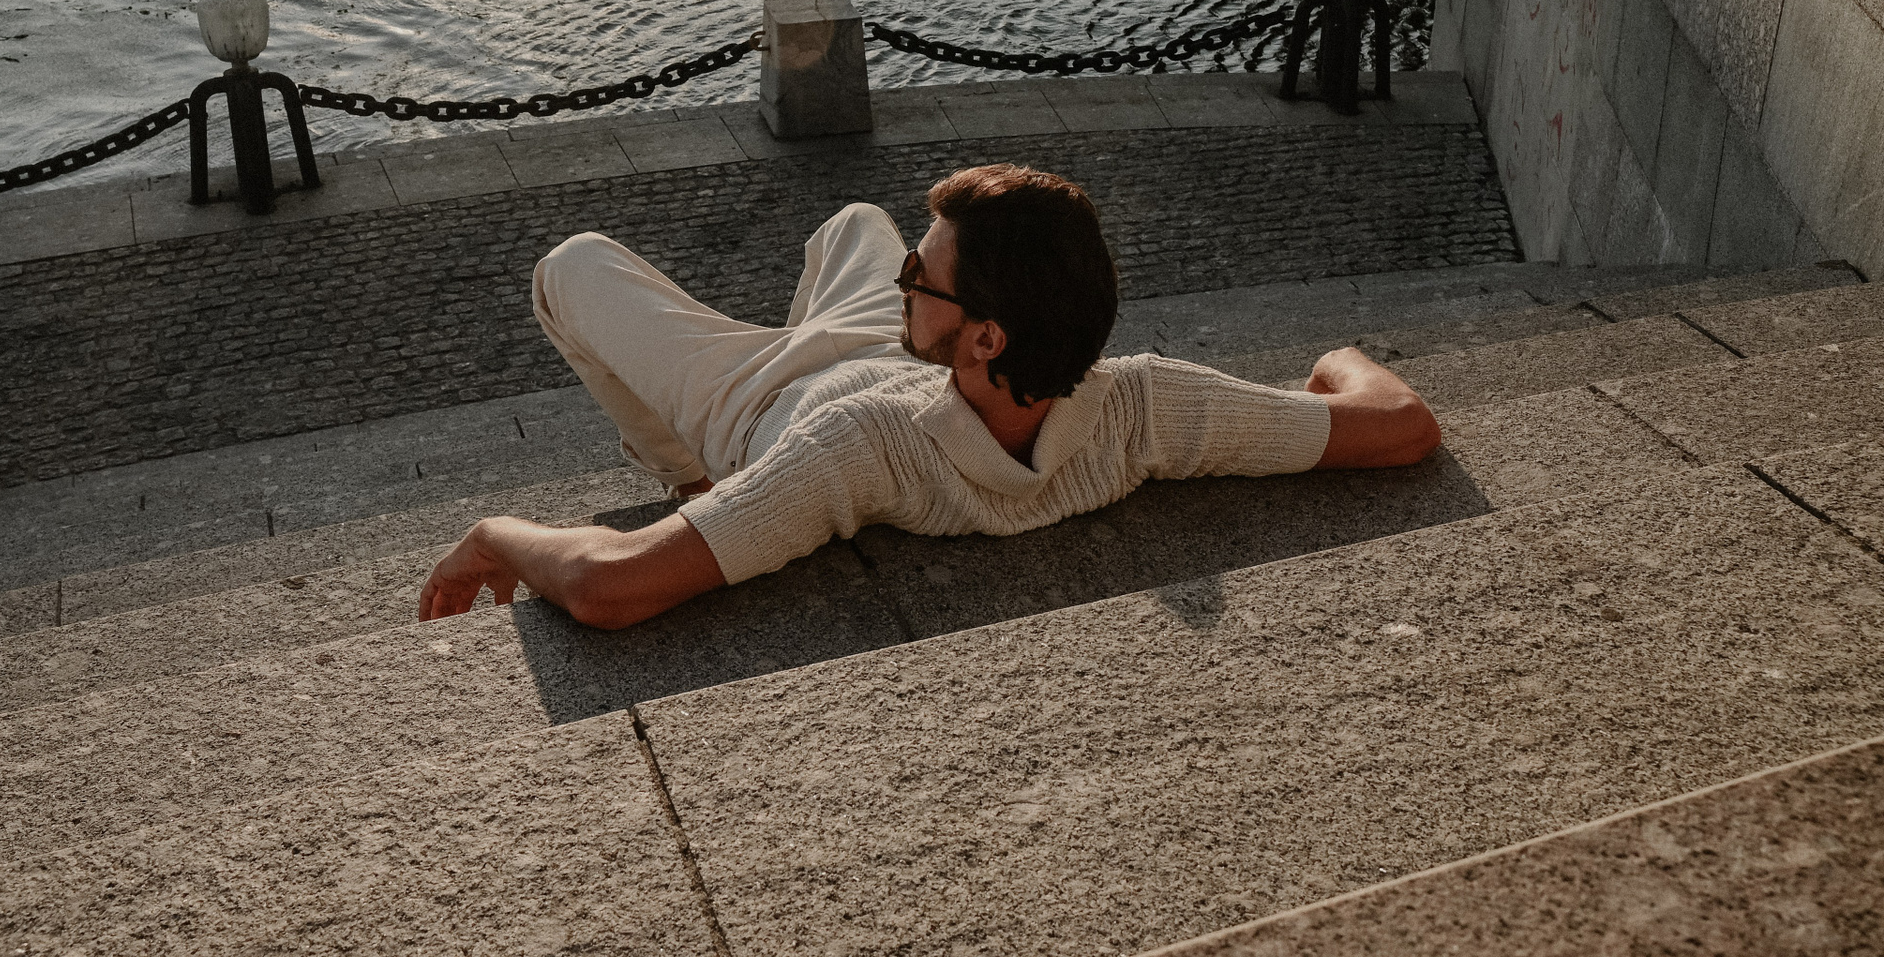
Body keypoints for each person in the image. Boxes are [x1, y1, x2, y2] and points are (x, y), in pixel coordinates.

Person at [418, 163, 1440, 630]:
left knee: (570, 266)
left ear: (988, 334)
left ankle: (694, 476)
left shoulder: (859, 450)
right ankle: (865, 291)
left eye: (925, 275)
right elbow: (1401, 424)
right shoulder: (1141, 405)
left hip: (762, 404)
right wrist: (1338, 356)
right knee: (856, 222)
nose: (912, 277)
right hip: (902, 359)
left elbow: (608, 586)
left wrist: (495, 532)